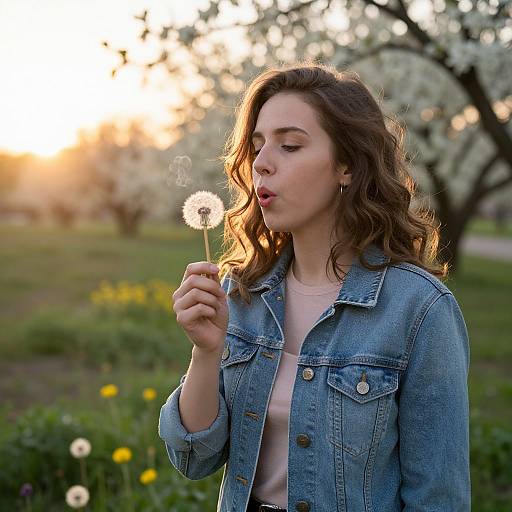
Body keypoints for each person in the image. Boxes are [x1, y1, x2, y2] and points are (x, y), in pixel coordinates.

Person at [159, 62, 471, 512]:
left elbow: (438, 498)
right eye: (258, 145)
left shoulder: (419, 311)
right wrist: (206, 352)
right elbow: (194, 458)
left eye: (289, 145)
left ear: (346, 165)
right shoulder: (241, 293)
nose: (262, 163)